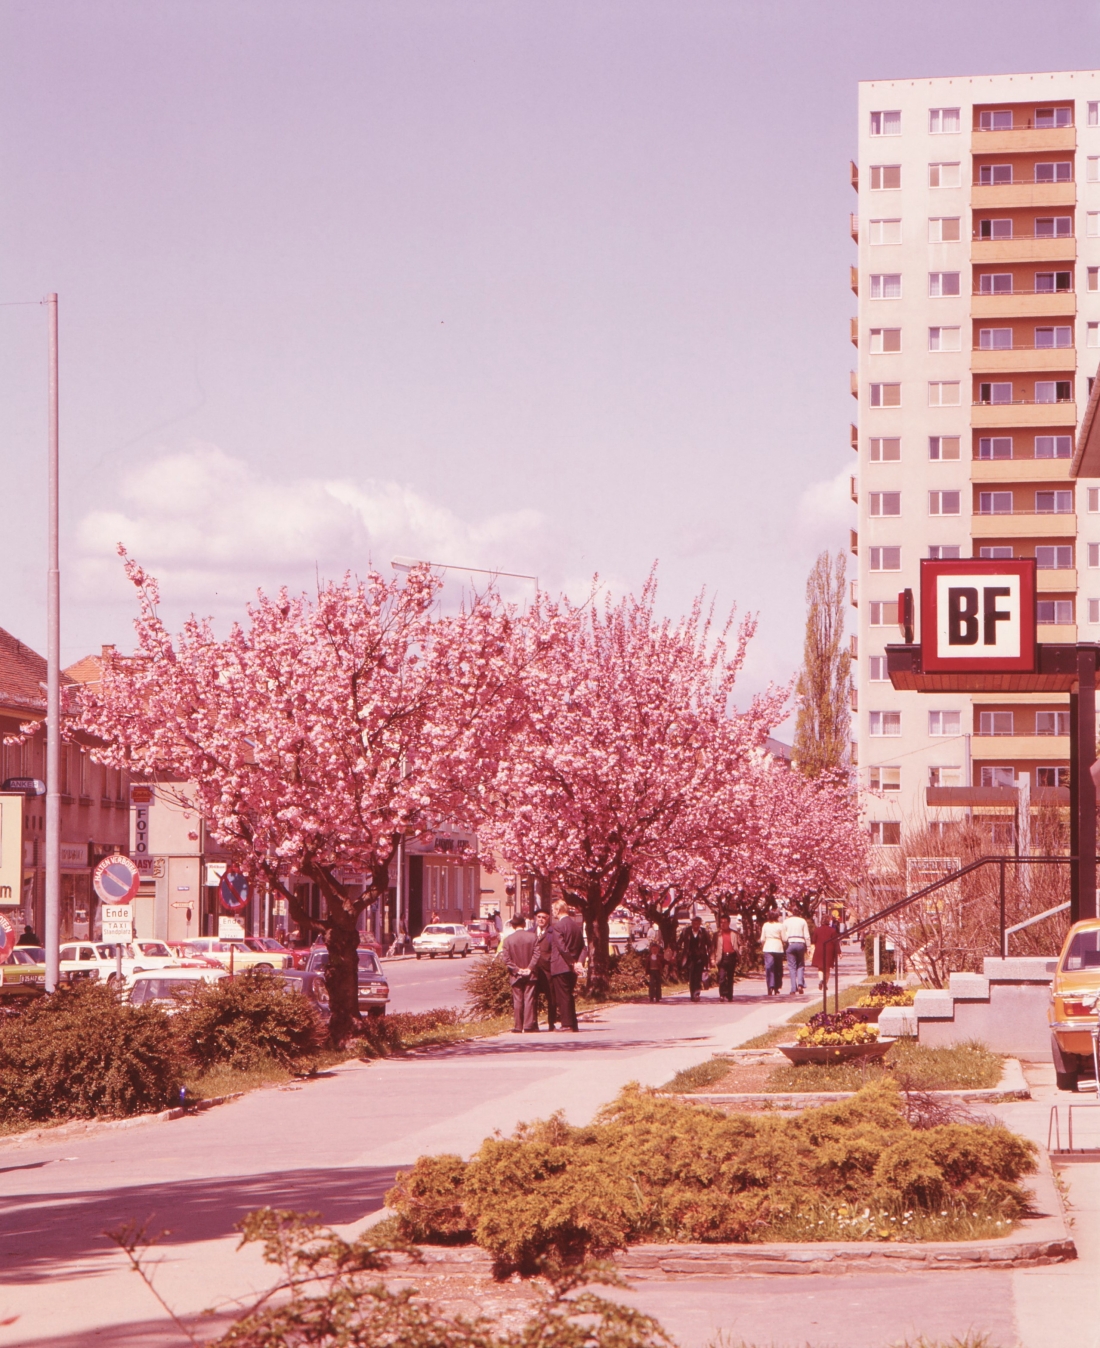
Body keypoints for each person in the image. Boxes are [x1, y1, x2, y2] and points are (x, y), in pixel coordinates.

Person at [551, 900, 585, 1032]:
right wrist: (578, 962)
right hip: (572, 967)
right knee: (569, 994)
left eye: (554, 910)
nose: (553, 912)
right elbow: (583, 947)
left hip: (561, 966)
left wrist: (571, 963)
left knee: (563, 996)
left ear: (558, 910)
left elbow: (562, 948)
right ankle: (573, 1023)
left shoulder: (558, 926)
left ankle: (566, 1024)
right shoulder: (576, 926)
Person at [501, 915, 539, 1032]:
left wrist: (517, 970)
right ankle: (528, 1025)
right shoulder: (533, 937)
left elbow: (506, 959)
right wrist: (530, 968)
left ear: (512, 926)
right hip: (530, 974)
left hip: (515, 975)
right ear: (524, 924)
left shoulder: (508, 940)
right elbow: (537, 954)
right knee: (529, 999)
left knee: (517, 999)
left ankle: (518, 1026)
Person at [531, 910, 559, 1030]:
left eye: (544, 917)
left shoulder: (552, 933)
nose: (541, 919)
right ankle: (533, 1024)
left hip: (548, 971)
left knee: (551, 998)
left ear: (548, 919)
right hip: (534, 971)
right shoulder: (530, 932)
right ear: (535, 918)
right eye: (539, 917)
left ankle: (551, 1023)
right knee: (533, 998)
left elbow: (555, 951)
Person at [677, 915, 712, 1002]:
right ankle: (692, 994)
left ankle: (697, 993)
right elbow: (680, 942)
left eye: (697, 923)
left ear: (700, 923)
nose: (695, 925)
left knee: (698, 975)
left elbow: (709, 944)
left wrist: (710, 955)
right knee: (691, 975)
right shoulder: (686, 931)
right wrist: (675, 952)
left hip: (700, 957)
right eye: (693, 923)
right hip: (690, 957)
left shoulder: (703, 932)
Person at [781, 908, 812, 996]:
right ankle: (800, 984)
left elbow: (783, 936)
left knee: (792, 967)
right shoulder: (802, 921)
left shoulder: (786, 922)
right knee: (801, 965)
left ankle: (793, 988)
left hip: (790, 943)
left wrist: (787, 940)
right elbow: (807, 935)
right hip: (801, 943)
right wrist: (808, 946)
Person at [811, 914, 841, 990]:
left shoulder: (817, 930)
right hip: (829, 951)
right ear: (828, 921)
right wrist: (839, 952)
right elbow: (836, 942)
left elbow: (813, 941)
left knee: (820, 968)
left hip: (819, 950)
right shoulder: (833, 930)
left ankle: (821, 980)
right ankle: (825, 984)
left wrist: (811, 950)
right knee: (827, 968)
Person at [715, 915, 741, 1002]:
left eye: (724, 922)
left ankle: (729, 995)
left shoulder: (734, 934)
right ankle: (722, 994)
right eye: (721, 922)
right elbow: (713, 948)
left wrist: (739, 954)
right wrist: (712, 958)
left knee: (730, 977)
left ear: (729, 923)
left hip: (731, 956)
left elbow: (740, 945)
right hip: (722, 957)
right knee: (722, 977)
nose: (723, 924)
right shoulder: (717, 935)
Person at [760, 909, 786, 996]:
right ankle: (777, 986)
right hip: (778, 947)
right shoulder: (780, 925)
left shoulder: (765, 925)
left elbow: (762, 939)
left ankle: (770, 986)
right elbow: (784, 938)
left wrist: (764, 944)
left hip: (768, 947)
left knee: (769, 968)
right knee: (778, 968)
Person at [646, 929, 665, 1002]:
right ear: (651, 950)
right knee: (651, 984)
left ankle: (658, 997)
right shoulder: (649, 957)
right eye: (653, 949)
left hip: (657, 971)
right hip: (651, 971)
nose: (654, 951)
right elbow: (647, 964)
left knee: (658, 984)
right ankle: (651, 996)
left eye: (656, 949)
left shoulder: (659, 956)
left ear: (658, 950)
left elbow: (664, 962)